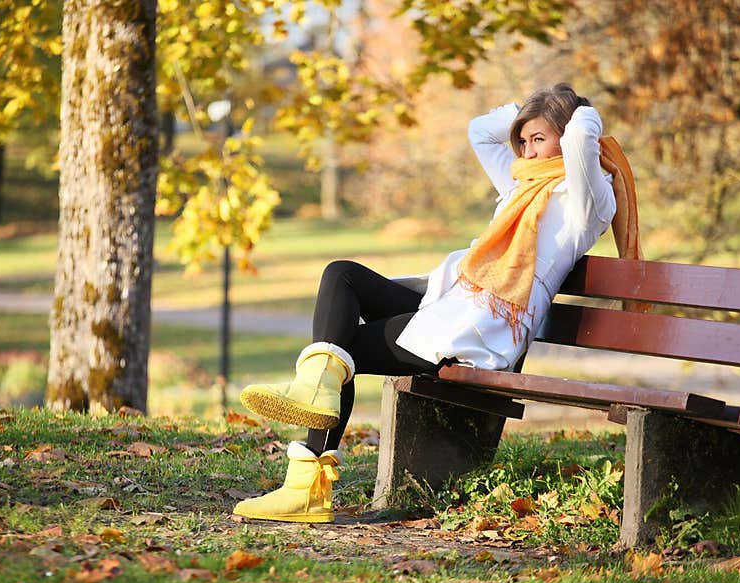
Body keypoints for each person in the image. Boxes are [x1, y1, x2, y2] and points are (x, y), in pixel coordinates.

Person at [234, 82, 641, 523]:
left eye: (538, 140)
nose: (526, 152)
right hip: (448, 300)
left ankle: (305, 488)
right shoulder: (521, 185)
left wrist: (576, 111)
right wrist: (530, 114)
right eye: (522, 142)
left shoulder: (589, 200)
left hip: (481, 327)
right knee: (341, 277)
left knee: (340, 350)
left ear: (566, 136)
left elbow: (582, 137)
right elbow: (480, 132)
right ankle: (312, 419)